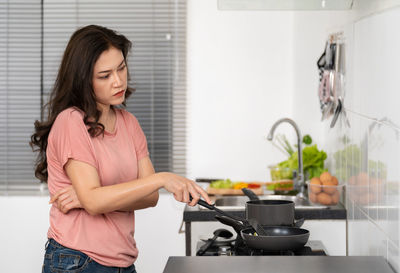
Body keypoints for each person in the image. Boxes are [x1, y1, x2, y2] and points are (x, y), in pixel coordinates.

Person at [30, 25, 211, 273]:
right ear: (83, 80)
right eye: (104, 76)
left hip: (122, 263)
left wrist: (89, 197)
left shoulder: (129, 123)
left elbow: (150, 197)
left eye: (121, 68)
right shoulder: (72, 122)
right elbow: (100, 199)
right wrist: (161, 178)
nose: (118, 81)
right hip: (78, 260)